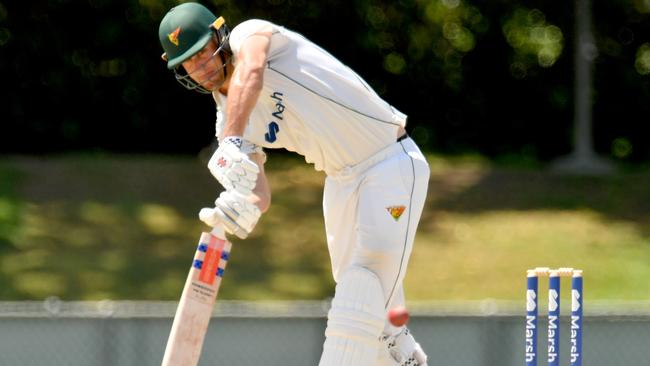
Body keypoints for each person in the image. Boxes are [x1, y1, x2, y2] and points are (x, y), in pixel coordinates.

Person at [158, 3, 430, 365]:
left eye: (203, 53)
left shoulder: (250, 36)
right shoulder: (227, 117)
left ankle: (397, 345)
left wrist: (231, 140)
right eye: (189, 62)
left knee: (364, 285)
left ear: (220, 37)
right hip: (341, 181)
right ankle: (402, 352)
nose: (200, 66)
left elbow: (252, 70)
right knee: (366, 307)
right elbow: (259, 193)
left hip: (389, 160)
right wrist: (237, 208)